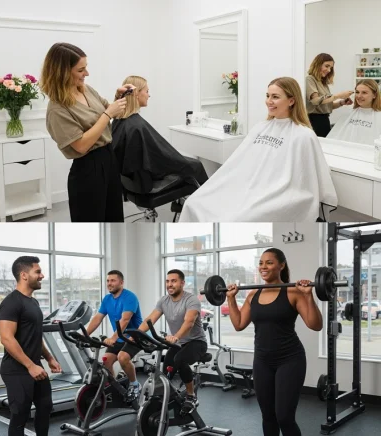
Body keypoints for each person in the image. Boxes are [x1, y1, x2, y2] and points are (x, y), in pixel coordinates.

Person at [179, 77, 337, 222]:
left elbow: (305, 179)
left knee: (234, 219)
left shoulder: (304, 135)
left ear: (291, 101)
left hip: (277, 194)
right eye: (267, 96)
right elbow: (239, 164)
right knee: (194, 202)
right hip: (247, 187)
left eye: (275, 97)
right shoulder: (261, 128)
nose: (269, 101)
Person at [225, 248, 322, 436]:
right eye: (261, 263)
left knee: (284, 417)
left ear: (281, 265)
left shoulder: (293, 291)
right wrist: (231, 299)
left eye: (269, 262)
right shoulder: (254, 294)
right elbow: (238, 324)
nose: (263, 266)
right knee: (268, 416)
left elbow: (315, 325)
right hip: (262, 361)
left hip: (290, 359)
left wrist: (309, 296)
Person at [42, 42, 133, 222]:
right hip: (87, 170)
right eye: (80, 70)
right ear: (62, 72)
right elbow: (81, 146)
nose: (87, 74)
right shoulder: (57, 109)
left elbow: (116, 112)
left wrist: (118, 97)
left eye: (86, 68)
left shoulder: (87, 90)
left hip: (109, 160)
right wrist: (108, 114)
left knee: (114, 220)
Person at [111, 75, 208, 195]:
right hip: (147, 183)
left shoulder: (118, 121)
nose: (149, 95)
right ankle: (207, 203)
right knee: (196, 166)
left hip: (132, 182)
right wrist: (183, 162)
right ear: (136, 94)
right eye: (147, 91)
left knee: (189, 164)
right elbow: (161, 157)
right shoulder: (136, 126)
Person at [0, 256, 61, 436]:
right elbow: (6, 338)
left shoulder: (33, 302)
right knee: (20, 416)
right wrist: (30, 365)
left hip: (34, 366)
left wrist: (49, 358)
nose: (42, 275)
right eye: (38, 272)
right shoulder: (11, 303)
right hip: (17, 369)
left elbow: (35, 336)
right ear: (24, 275)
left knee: (45, 408)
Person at [137, 269, 208, 415]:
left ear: (182, 283)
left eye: (173, 281)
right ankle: (170, 397)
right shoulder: (164, 301)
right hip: (178, 343)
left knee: (180, 359)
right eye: (168, 281)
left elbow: (189, 322)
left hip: (197, 342)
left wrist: (176, 336)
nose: (170, 284)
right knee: (165, 370)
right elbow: (150, 320)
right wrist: (136, 335)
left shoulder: (191, 300)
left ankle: (191, 396)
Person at [83, 270, 143, 401]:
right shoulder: (107, 299)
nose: (109, 283)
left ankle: (134, 384)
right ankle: (114, 388)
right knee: (106, 361)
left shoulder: (130, 297)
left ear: (121, 282)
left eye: (113, 280)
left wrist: (113, 338)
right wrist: (85, 335)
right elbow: (98, 318)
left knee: (123, 357)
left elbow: (125, 320)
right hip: (121, 336)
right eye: (108, 281)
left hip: (136, 336)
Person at [306, 53, 354, 137]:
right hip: (314, 120)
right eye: (326, 66)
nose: (329, 70)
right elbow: (315, 101)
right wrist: (338, 96)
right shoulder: (310, 79)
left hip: (324, 120)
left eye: (330, 68)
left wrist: (341, 102)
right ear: (317, 64)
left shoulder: (323, 83)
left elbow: (327, 106)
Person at [326, 79, 381, 145]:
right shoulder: (349, 112)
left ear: (374, 95)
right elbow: (334, 137)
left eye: (364, 92)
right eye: (357, 92)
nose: (359, 96)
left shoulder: (378, 116)